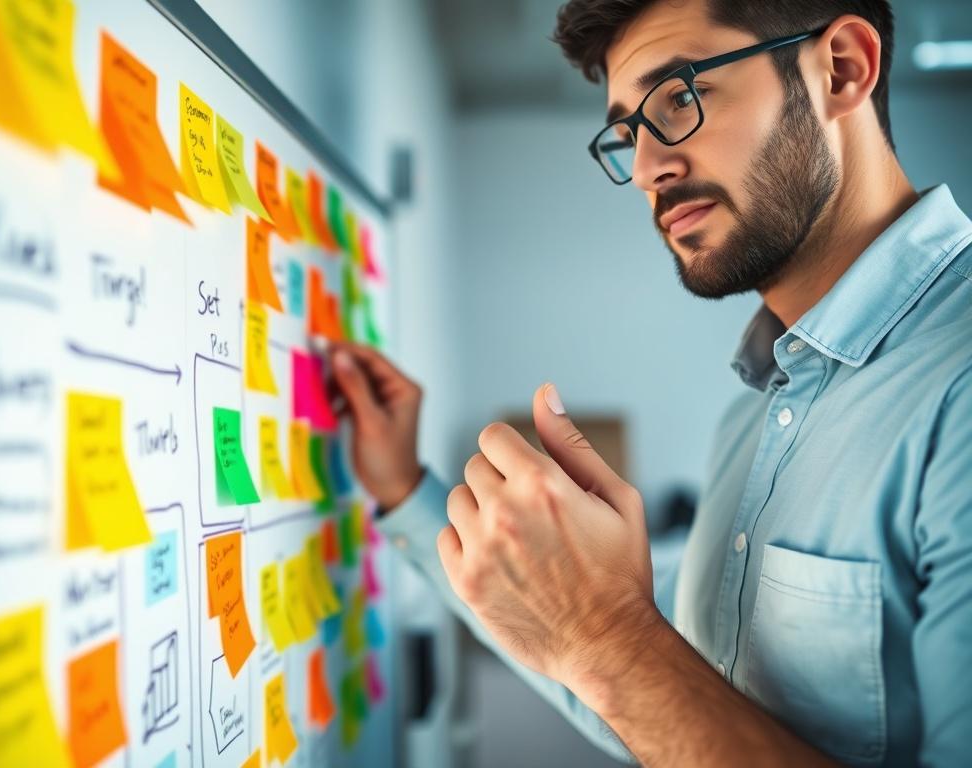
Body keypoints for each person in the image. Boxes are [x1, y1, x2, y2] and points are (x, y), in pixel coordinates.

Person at [330, 0, 972, 764]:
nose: (644, 171)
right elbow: (652, 704)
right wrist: (405, 489)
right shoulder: (753, 416)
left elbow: (618, 655)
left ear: (842, 69)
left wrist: (607, 637)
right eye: (628, 132)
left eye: (680, 98)